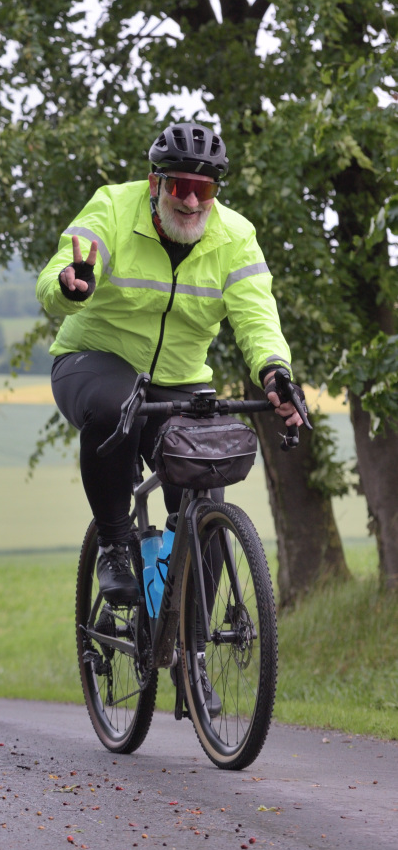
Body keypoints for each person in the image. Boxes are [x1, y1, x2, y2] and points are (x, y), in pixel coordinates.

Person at [39, 121, 305, 610]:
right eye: (180, 186)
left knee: (205, 490)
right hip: (93, 362)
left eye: (205, 189)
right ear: (154, 182)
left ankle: (191, 640)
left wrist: (274, 370)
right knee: (114, 404)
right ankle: (114, 545)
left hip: (180, 382)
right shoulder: (112, 207)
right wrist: (69, 284)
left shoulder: (236, 237)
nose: (192, 201)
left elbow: (257, 317)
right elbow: (60, 270)